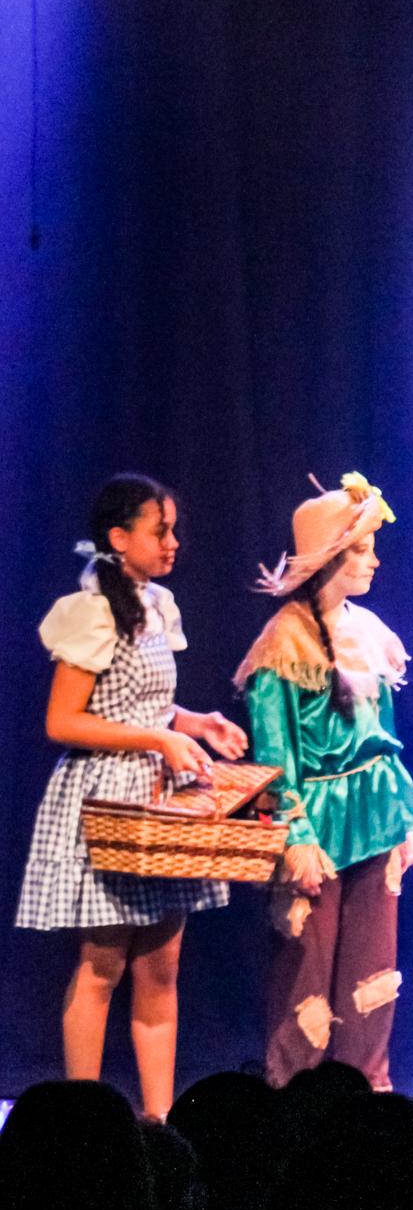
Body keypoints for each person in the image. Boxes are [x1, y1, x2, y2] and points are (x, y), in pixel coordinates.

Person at [13, 475, 247, 1119]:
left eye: (173, 529)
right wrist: (158, 738)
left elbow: (145, 702)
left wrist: (194, 723)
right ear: (119, 538)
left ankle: (159, 1124)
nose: (173, 542)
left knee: (160, 972)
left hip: (159, 799)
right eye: (159, 530)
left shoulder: (156, 605)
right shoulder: (91, 612)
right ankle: (82, 1124)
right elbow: (64, 721)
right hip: (109, 803)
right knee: (103, 966)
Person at [236, 473, 413, 1091]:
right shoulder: (283, 642)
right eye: (362, 550)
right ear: (329, 559)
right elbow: (274, 753)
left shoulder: (370, 632)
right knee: (307, 962)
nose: (374, 561)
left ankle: (368, 1085)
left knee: (373, 963)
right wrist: (294, 834)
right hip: (316, 822)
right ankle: (297, 1094)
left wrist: (398, 819)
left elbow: (383, 734)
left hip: (376, 810)